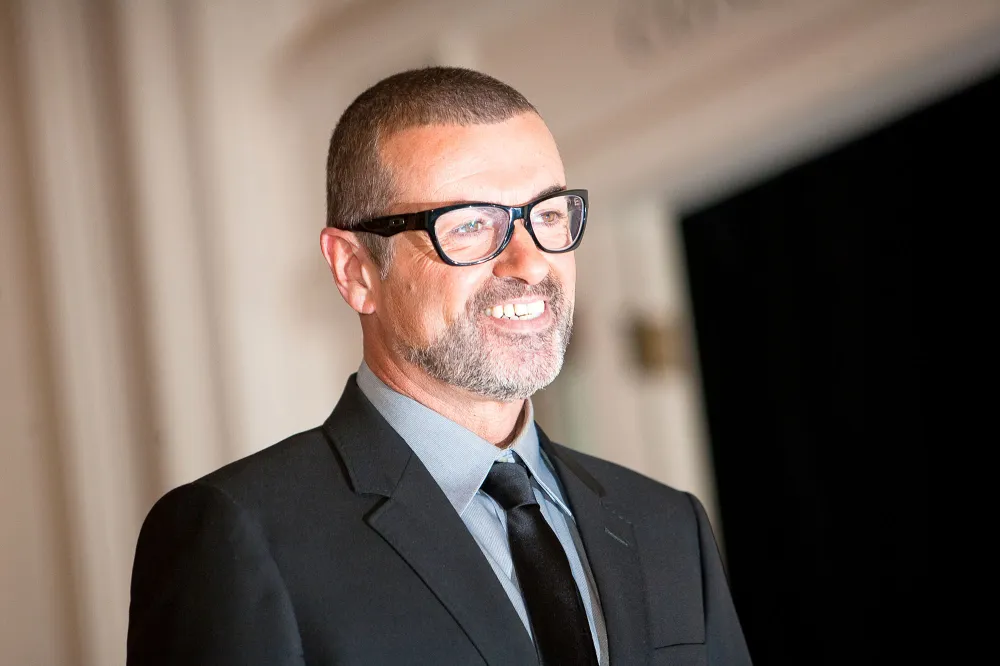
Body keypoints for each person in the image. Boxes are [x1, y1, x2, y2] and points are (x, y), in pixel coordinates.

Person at [126, 67, 751, 666]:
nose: (530, 264)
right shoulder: (240, 538)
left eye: (549, 214)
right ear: (355, 270)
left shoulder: (670, 527)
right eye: (471, 225)